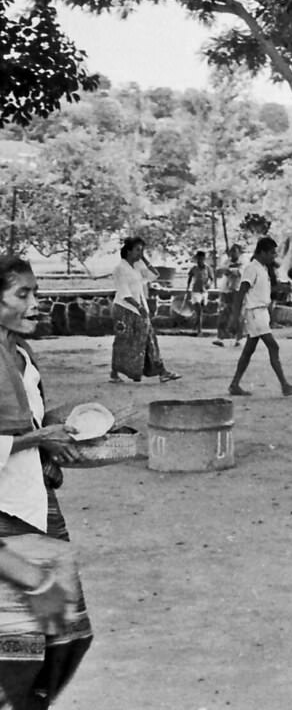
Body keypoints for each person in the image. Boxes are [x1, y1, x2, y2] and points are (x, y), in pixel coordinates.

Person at [0, 255, 93, 707]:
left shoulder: (19, 353)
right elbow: (18, 434)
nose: (37, 303)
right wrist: (37, 438)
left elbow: (25, 424)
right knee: (19, 653)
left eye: (36, 292)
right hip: (5, 515)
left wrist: (61, 431)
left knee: (68, 635)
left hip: (35, 503)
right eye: (23, 294)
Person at [228, 237, 292, 398]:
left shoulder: (262, 268)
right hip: (255, 313)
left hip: (261, 312)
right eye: (271, 253)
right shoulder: (252, 268)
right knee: (273, 346)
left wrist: (281, 288)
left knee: (249, 351)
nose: (273, 256)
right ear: (262, 252)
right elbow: (241, 292)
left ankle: (234, 384)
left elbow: (261, 290)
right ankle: (284, 385)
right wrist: (235, 318)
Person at [109, 237, 181, 384]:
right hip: (126, 308)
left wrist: (145, 259)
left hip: (138, 308)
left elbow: (155, 275)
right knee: (124, 341)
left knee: (148, 339)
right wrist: (139, 307)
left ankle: (161, 371)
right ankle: (115, 371)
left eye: (142, 250)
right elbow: (124, 293)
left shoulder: (137, 267)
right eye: (137, 250)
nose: (140, 253)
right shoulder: (120, 269)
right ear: (128, 251)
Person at [213, 244, 244, 347]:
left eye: (235, 251)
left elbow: (240, 273)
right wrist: (225, 269)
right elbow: (219, 272)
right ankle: (220, 337)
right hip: (226, 290)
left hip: (237, 290)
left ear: (239, 252)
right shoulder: (226, 261)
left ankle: (239, 338)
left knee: (237, 315)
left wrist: (230, 270)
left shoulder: (244, 262)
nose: (233, 253)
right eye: (232, 251)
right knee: (223, 313)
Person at [184, 250, 215, 337]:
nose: (200, 260)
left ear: (204, 259)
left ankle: (196, 323)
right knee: (199, 311)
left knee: (201, 310)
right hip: (195, 291)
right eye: (198, 258)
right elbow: (190, 278)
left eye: (201, 258)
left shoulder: (208, 268)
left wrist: (209, 284)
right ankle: (199, 330)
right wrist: (187, 288)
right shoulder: (194, 268)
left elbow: (211, 278)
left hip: (204, 291)